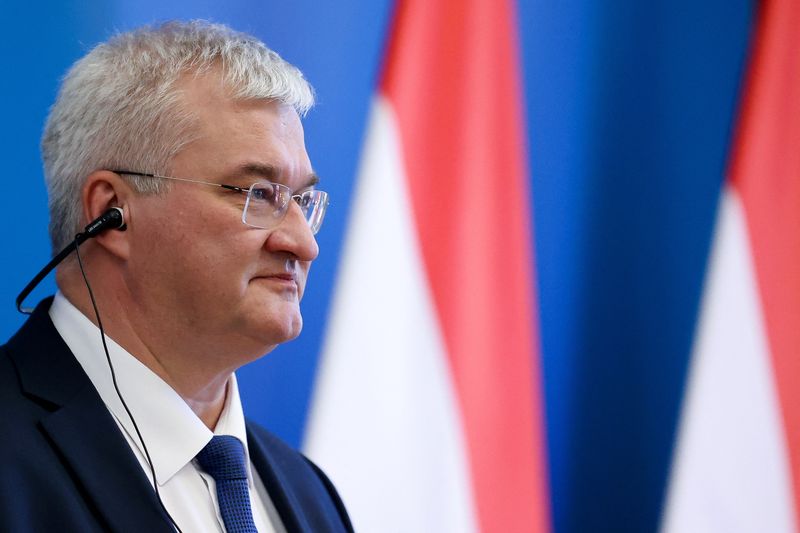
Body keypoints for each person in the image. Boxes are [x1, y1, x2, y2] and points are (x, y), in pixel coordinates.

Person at [0, 20, 352, 533]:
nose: (304, 244)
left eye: (301, 201)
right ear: (112, 211)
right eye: (257, 194)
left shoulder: (310, 495)